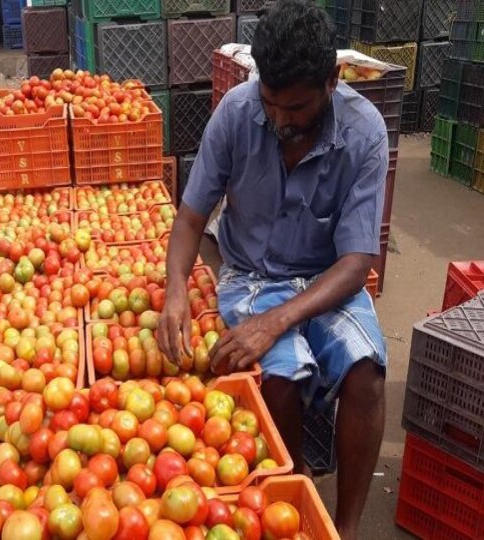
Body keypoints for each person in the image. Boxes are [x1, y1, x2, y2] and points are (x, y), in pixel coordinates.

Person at [158, 1, 387, 538]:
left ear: (332, 81)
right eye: (272, 104)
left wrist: (279, 318)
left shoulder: (364, 132)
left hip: (328, 279)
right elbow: (190, 219)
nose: (282, 119)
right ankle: (296, 487)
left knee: (367, 375)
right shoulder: (237, 114)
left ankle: (346, 527)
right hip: (251, 273)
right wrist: (174, 293)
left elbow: (357, 263)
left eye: (298, 107)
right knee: (278, 376)